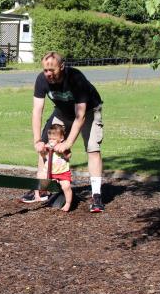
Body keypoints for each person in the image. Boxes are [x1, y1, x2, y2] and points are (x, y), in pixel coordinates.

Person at [20, 51, 104, 212]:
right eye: (45, 70)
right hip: (62, 111)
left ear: (62, 67)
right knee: (44, 145)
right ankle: (42, 188)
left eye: (52, 70)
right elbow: (37, 110)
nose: (48, 74)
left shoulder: (75, 79)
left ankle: (96, 196)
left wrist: (68, 143)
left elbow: (80, 117)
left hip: (89, 111)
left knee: (93, 148)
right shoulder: (41, 80)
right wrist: (37, 140)